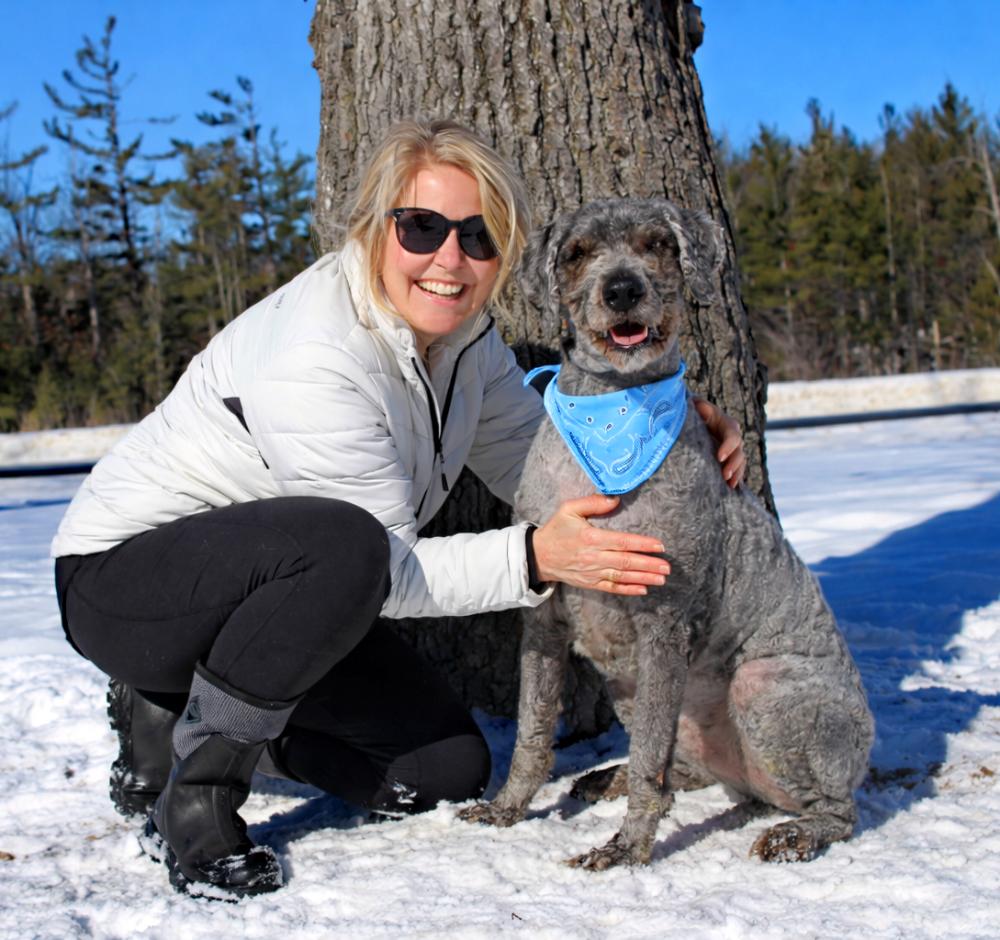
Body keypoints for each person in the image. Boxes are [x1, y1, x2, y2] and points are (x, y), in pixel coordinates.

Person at [52, 119, 746, 898]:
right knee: (345, 544)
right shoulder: (316, 354)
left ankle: (172, 717)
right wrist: (535, 558)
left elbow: (537, 459)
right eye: (422, 227)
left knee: (441, 770)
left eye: (479, 236)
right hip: (127, 582)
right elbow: (386, 571)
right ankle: (199, 805)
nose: (450, 259)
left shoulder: (465, 339)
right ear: (373, 227)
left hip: (279, 610)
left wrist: (664, 431)